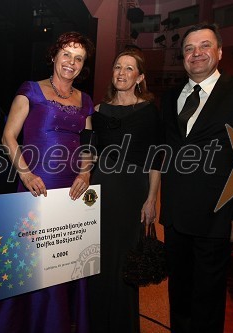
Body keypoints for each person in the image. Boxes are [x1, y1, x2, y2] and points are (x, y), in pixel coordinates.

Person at [160, 23, 233, 332]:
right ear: (182, 57)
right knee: (179, 294)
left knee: (207, 298)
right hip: (176, 216)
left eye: (204, 46)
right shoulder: (169, 97)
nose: (197, 53)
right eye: (189, 49)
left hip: (217, 216)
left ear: (219, 52)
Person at [0, 31, 95, 333]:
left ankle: (56, 323)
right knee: (32, 261)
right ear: (53, 55)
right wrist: (25, 173)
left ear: (83, 65)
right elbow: (8, 137)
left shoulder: (85, 100)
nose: (71, 62)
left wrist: (86, 173)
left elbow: (88, 144)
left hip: (72, 191)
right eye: (66, 54)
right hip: (37, 184)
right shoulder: (31, 90)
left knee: (63, 260)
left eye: (78, 58)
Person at [87, 49, 162, 333]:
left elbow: (156, 159)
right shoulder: (97, 111)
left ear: (140, 77)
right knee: (97, 256)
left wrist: (151, 199)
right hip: (100, 187)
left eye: (129, 68)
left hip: (133, 191)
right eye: (118, 67)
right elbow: (89, 155)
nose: (122, 72)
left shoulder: (148, 112)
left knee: (125, 259)